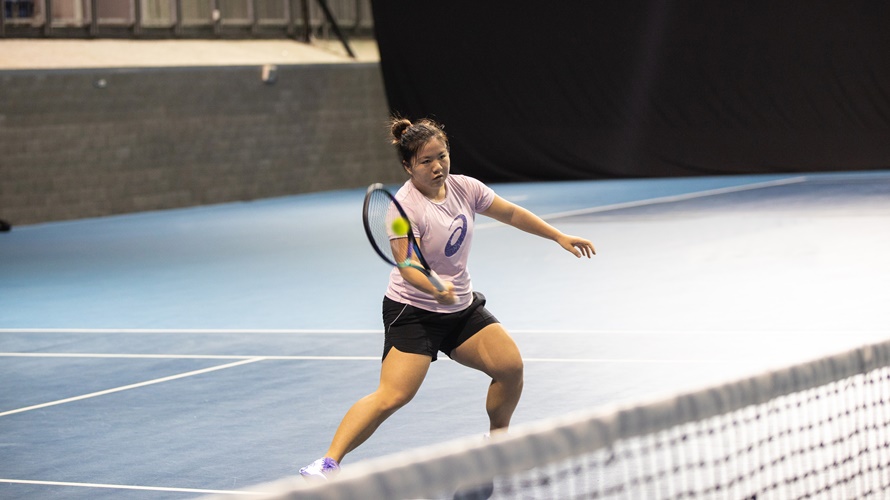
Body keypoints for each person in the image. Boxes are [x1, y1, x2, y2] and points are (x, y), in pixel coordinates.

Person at [300, 116, 595, 480]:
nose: (437, 166)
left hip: (460, 307)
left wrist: (558, 236)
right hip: (414, 312)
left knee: (510, 368)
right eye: (426, 161)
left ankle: (498, 444)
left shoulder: (466, 188)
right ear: (408, 166)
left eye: (442, 156)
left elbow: (511, 212)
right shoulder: (401, 210)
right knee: (393, 396)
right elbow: (408, 265)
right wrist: (434, 286)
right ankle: (327, 463)